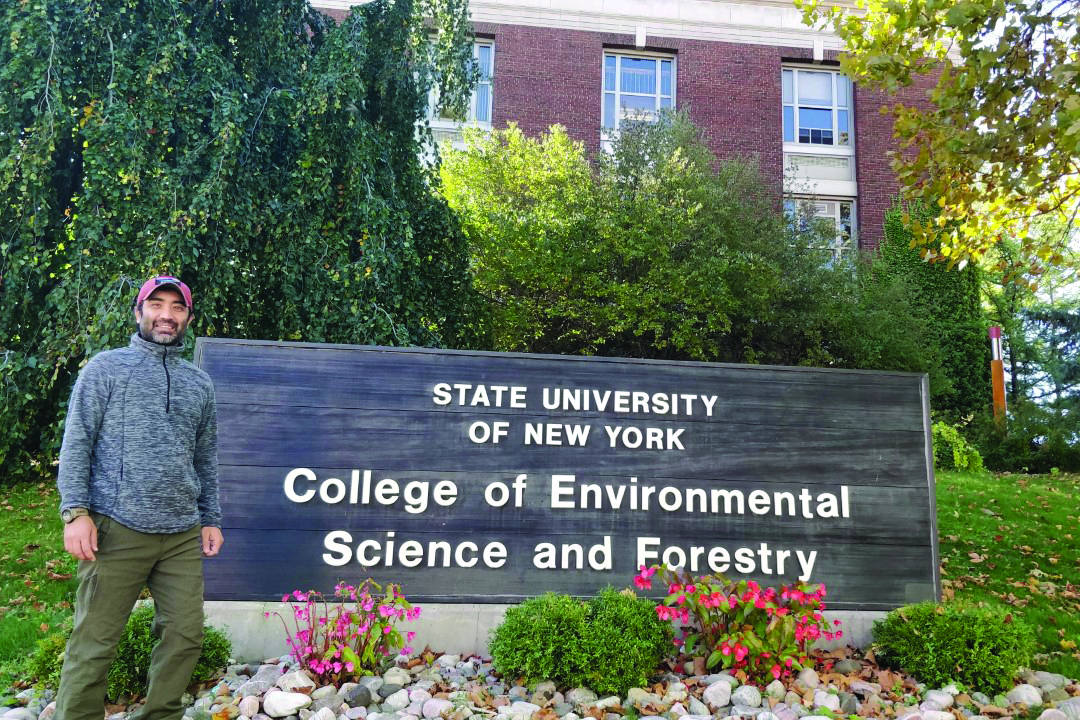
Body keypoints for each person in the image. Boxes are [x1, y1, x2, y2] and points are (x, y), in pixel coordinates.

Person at [55, 275, 223, 720]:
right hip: (115, 527)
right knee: (95, 642)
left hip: (182, 533)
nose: (166, 315)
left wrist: (211, 517)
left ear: (187, 317)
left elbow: (204, 456)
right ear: (139, 312)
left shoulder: (199, 384)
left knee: (186, 635)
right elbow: (77, 443)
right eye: (156, 305)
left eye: (177, 307)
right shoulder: (105, 369)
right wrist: (75, 512)